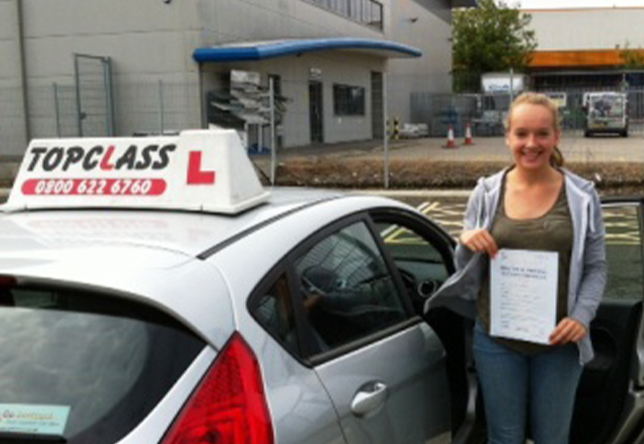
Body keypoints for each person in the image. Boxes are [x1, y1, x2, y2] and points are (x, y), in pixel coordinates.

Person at [425, 92, 607, 444]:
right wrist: (467, 242)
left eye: (541, 133)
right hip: (497, 338)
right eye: (522, 133)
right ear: (508, 136)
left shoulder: (583, 196)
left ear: (556, 136)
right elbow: (465, 271)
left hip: (559, 342)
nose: (531, 143)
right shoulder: (486, 192)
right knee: (503, 436)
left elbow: (597, 268)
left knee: (552, 437)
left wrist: (581, 317)